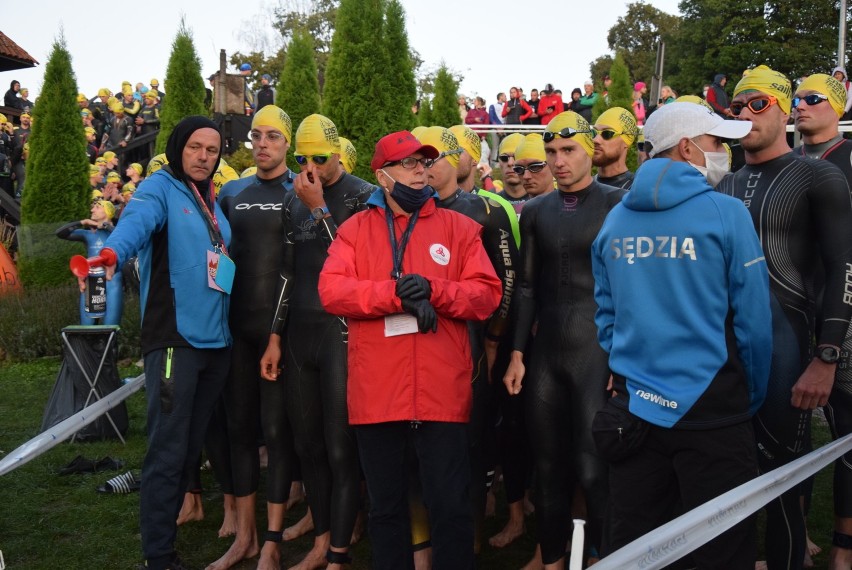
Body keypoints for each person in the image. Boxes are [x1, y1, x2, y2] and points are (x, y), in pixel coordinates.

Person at [593, 101, 769, 568]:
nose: (722, 152)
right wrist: (749, 397)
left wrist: (627, 373)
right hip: (714, 406)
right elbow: (753, 323)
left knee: (636, 549)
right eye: (716, 143)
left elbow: (606, 317)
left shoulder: (615, 219)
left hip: (635, 407)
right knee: (722, 547)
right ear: (688, 148)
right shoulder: (726, 212)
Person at [317, 130, 502, 570]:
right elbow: (331, 291)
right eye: (409, 164)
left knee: (451, 509)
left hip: (442, 393)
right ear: (383, 177)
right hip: (378, 394)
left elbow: (486, 296)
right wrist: (394, 295)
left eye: (425, 162)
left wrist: (436, 290)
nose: (421, 171)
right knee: (386, 510)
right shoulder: (354, 230)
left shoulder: (461, 228)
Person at [717, 65, 852, 570]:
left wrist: (827, 356)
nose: (746, 114)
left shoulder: (820, 175)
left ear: (780, 110)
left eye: (759, 104)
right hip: (729, 352)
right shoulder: (726, 182)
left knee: (784, 485)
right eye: (737, 105)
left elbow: (845, 265)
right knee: (728, 479)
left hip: (790, 345)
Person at [99, 116, 233, 570]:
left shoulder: (209, 199)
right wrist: (111, 255)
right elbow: (134, 223)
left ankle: (165, 545)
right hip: (175, 338)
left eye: (212, 150)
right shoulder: (160, 188)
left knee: (189, 449)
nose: (203, 156)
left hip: (215, 343)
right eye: (195, 147)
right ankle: (158, 556)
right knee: (168, 450)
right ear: (179, 147)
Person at [503, 111, 625, 569]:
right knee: (549, 471)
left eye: (568, 150)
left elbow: (626, 288)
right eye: (551, 152)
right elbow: (528, 288)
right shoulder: (536, 211)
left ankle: (603, 557)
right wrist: (517, 353)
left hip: (596, 353)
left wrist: (620, 360)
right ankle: (553, 559)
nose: (558, 161)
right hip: (547, 355)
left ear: (589, 151)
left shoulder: (616, 203)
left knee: (594, 471)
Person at [259, 114, 373, 569]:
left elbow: (358, 266)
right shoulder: (292, 200)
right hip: (300, 332)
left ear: (339, 154)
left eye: (319, 158)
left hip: (341, 333)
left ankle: (338, 547)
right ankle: (323, 535)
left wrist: (320, 206)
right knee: (308, 445)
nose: (309, 166)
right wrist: (274, 337)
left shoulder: (363, 196)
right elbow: (288, 271)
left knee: (340, 446)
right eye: (303, 157)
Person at [207, 105, 297, 570]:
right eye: (257, 136)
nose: (262, 144)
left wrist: (279, 334)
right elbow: (218, 256)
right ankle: (244, 536)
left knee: (279, 434)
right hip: (236, 331)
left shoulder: (299, 190)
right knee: (240, 430)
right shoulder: (233, 193)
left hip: (281, 333)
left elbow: (297, 268)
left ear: (288, 145)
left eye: (273, 137)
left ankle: (273, 543)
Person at [792, 72, 852, 570]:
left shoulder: (848, 160)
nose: (800, 106)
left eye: (812, 99)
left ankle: (842, 548)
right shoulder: (788, 164)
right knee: (792, 433)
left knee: (847, 435)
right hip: (794, 311)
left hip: (842, 315)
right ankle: (798, 535)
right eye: (796, 100)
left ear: (838, 105)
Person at [55, 200, 124, 326]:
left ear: (107, 211)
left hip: (112, 280)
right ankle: (88, 345)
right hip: (91, 280)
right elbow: (60, 233)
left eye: (97, 207)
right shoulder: (87, 234)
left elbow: (123, 238)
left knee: (111, 328)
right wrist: (83, 222)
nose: (92, 210)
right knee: (87, 326)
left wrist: (106, 226)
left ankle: (108, 344)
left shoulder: (117, 230)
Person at [592, 107, 637, 189]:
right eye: (593, 133)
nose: (596, 140)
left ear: (627, 140)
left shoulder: (636, 190)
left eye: (607, 133)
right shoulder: (582, 187)